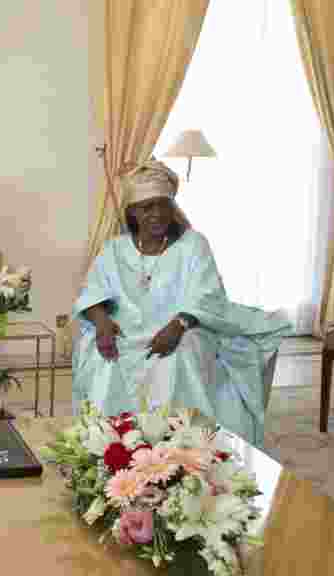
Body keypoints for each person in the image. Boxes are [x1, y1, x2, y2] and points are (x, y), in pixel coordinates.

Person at [71, 159, 292, 448]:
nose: (156, 214)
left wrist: (179, 325)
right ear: (132, 212)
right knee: (104, 357)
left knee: (178, 356)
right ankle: (110, 443)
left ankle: (180, 445)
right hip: (125, 330)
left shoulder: (193, 244)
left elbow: (206, 296)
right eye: (146, 207)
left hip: (185, 326)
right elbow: (92, 293)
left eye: (163, 205)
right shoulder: (114, 249)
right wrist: (101, 323)